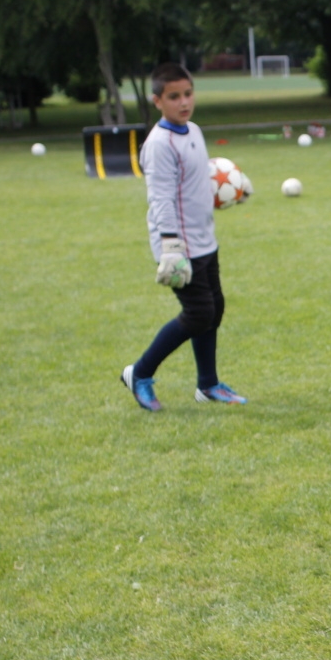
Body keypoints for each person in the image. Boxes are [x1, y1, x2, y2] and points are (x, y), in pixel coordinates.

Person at [120, 62, 247, 412]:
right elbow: (160, 198)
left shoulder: (192, 130)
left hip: (204, 238)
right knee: (198, 313)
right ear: (157, 101)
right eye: (174, 97)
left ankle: (207, 385)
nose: (183, 102)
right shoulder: (159, 144)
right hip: (178, 245)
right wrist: (170, 246)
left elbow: (200, 176)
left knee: (214, 309)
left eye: (188, 94)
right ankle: (140, 373)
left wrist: (231, 188)